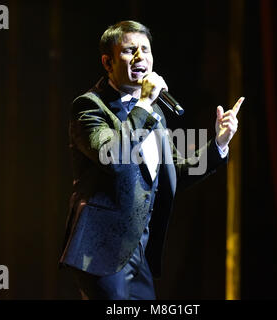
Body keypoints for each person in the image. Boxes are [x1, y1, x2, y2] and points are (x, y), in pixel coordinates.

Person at [58, 20, 244, 300]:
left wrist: (219, 143)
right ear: (108, 62)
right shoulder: (90, 107)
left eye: (145, 49)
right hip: (100, 250)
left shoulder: (154, 112)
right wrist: (144, 105)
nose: (140, 57)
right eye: (129, 50)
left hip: (138, 252)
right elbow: (114, 158)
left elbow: (175, 173)